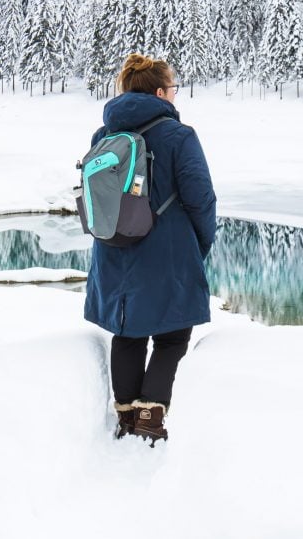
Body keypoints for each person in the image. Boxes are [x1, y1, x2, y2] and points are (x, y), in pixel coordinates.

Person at [83, 53, 217, 443]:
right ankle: (150, 416)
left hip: (113, 249)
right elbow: (200, 198)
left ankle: (126, 415)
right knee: (173, 336)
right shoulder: (179, 135)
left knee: (128, 333)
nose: (175, 96)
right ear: (160, 92)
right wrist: (200, 243)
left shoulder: (103, 135)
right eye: (174, 89)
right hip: (168, 252)